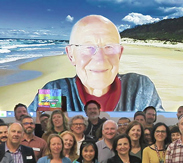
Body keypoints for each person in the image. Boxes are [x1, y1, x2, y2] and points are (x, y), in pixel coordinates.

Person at [28, 15, 163, 112]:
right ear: (71, 55)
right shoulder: (54, 92)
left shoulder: (141, 87)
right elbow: (32, 132)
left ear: (120, 54)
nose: (100, 59)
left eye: (109, 47)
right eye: (88, 47)